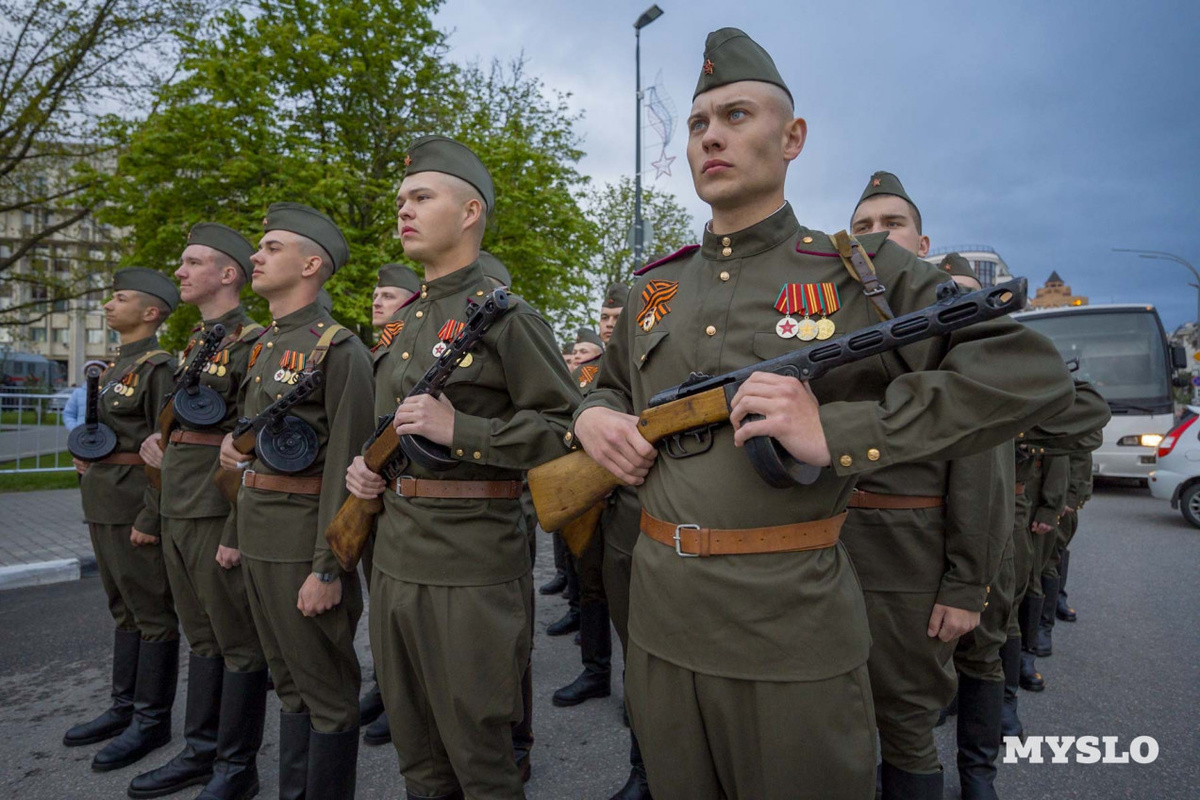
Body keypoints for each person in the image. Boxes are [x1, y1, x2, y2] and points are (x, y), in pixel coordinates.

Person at [571, 28, 1074, 799]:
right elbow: (607, 387)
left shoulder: (859, 274)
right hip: (661, 625)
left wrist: (835, 432)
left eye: (736, 115)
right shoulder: (653, 289)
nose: (711, 136)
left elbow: (1029, 373)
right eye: (699, 122)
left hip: (791, 628)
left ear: (792, 137)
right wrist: (592, 418)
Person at [344, 135, 578, 799]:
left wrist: (463, 431)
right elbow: (392, 429)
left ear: (471, 212)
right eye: (401, 200)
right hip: (395, 558)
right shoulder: (406, 323)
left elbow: (566, 431)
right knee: (418, 757)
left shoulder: (510, 318)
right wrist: (368, 469)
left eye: (422, 197)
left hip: (471, 564)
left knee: (481, 760)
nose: (404, 210)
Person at [844, 176, 1011, 798]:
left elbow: (981, 464)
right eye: (863, 228)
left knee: (907, 719)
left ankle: (974, 777)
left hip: (909, 558)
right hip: (828, 549)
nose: (877, 236)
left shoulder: (955, 318)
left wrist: (967, 585)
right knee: (838, 715)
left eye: (892, 224)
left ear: (922, 243)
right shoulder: (828, 317)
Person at [218, 202, 375, 797]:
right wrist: (234, 533)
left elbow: (347, 468)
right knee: (288, 687)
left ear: (311, 265)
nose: (254, 256)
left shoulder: (338, 349)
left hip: (302, 544)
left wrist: (328, 568)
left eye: (271, 247)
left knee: (326, 695)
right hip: (259, 536)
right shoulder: (265, 345)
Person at [127, 224, 269, 800]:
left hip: (215, 508)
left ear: (228, 274)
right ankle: (200, 751)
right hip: (180, 504)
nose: (180, 272)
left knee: (237, 641)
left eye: (193, 262)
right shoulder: (196, 343)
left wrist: (236, 527)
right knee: (203, 637)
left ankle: (236, 768)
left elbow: (252, 445)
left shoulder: (253, 343)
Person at [63, 268, 180, 773]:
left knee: (151, 613)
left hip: (134, 505)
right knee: (123, 609)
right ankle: (124, 707)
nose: (109, 305)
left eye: (120, 298)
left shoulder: (159, 368)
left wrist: (151, 517)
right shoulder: (114, 367)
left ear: (150, 312)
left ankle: (151, 721)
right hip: (103, 502)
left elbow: (165, 450)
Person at [358, 260, 424, 749]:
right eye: (376, 295)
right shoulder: (372, 353)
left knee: (406, 612)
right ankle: (385, 688)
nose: (377, 301)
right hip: (368, 489)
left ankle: (403, 696)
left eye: (388, 295)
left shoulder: (414, 351)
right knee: (380, 605)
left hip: (406, 494)